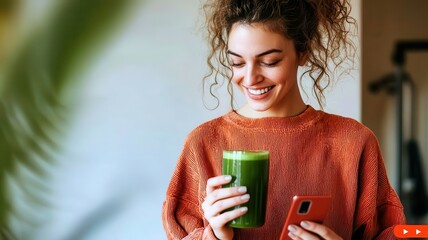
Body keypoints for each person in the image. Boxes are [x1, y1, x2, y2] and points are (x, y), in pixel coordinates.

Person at [162, 0, 406, 239]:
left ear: (303, 52)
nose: (250, 78)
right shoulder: (202, 143)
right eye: (236, 63)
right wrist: (214, 236)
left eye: (269, 61)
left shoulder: (354, 142)